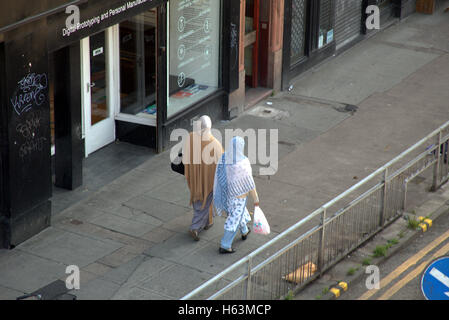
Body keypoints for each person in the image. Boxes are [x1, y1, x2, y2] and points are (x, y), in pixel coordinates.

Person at [213, 136, 260, 254]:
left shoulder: (224, 158)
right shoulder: (243, 163)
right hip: (240, 198)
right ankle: (225, 244)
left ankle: (244, 231)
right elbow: (250, 184)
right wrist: (256, 198)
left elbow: (220, 174)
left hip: (229, 195)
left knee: (238, 214)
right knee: (234, 220)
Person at [183, 115, 224, 241]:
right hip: (208, 182)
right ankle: (195, 227)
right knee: (204, 203)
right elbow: (222, 164)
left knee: (199, 199)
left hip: (194, 177)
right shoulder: (215, 145)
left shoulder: (190, 137)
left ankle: (208, 222)